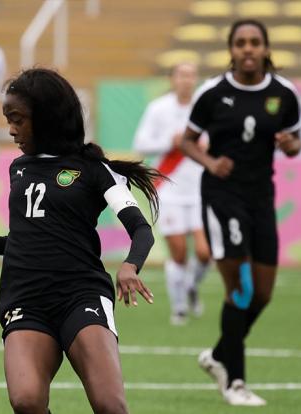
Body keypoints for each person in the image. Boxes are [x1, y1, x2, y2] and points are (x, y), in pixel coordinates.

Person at [0, 68, 160, 414]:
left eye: (18, 119)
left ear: (46, 117)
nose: (11, 129)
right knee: (27, 401)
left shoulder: (95, 169)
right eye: (7, 119)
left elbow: (141, 229)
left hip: (80, 295)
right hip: (26, 298)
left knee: (110, 405)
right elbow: (32, 238)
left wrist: (130, 267)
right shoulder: (18, 168)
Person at [180, 19, 301, 407]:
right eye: (240, 43)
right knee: (242, 288)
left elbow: (296, 143)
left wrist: (290, 144)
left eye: (255, 43)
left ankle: (217, 356)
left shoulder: (285, 94)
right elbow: (187, 141)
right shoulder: (213, 93)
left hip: (261, 196)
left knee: (262, 293)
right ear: (231, 49)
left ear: (266, 49)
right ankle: (235, 381)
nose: (248, 49)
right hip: (222, 196)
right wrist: (210, 161)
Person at [133, 62, 211, 326]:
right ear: (173, 79)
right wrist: (171, 141)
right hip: (169, 189)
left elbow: (216, 141)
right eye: (182, 75)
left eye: (191, 75)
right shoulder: (159, 108)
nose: (187, 80)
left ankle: (191, 286)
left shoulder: (204, 108)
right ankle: (178, 308)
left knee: (204, 252)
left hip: (201, 189)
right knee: (178, 253)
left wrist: (204, 144)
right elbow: (141, 143)